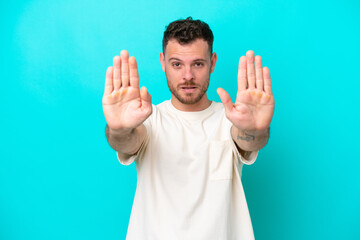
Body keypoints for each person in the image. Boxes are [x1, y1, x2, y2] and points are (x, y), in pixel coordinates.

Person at [102, 17, 274, 240]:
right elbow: (126, 141)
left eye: (198, 64)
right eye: (177, 64)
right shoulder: (149, 120)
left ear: (212, 62)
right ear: (163, 62)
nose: (188, 76)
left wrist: (257, 129)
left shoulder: (231, 118)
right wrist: (119, 129)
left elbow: (248, 140)